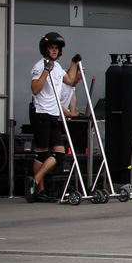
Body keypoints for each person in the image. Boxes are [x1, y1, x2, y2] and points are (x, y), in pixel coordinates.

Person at [27, 32, 82, 203]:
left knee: (59, 153)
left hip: (53, 114)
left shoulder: (57, 67)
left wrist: (74, 62)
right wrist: (45, 71)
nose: (54, 51)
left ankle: (35, 182)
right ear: (45, 49)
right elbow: (35, 89)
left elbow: (71, 80)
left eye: (56, 48)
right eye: (51, 48)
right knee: (42, 153)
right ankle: (39, 190)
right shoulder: (39, 66)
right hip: (41, 113)